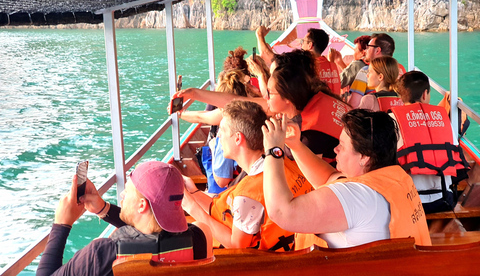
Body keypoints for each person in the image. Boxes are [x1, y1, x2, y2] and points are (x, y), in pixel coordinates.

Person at [261, 109, 431, 249]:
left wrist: (273, 150)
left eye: (342, 145)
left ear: (365, 157)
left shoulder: (360, 197)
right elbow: (328, 178)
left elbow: (282, 212)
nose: (336, 149)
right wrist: (295, 144)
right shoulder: (391, 179)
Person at [173, 50, 350, 164]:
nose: (264, 95)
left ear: (287, 98)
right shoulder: (313, 99)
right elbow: (236, 101)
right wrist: (194, 94)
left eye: (270, 93)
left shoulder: (307, 137)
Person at [37, 161, 211, 276]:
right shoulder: (199, 238)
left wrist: (61, 224)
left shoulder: (103, 254)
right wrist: (104, 209)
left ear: (142, 205)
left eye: (127, 192)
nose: (122, 194)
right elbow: (152, 232)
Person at [182, 101, 313, 251]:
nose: (219, 136)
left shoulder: (248, 195)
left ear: (238, 138)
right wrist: (193, 193)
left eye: (222, 131)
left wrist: (191, 208)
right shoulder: (283, 161)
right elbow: (224, 211)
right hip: (300, 247)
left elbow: (237, 248)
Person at [392, 71, 469, 213]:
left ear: (401, 96)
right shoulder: (444, 119)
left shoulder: (392, 119)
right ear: (424, 94)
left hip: (408, 201)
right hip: (444, 200)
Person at [348, 33, 406, 108]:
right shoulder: (401, 70)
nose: (365, 50)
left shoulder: (366, 71)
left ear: (377, 50)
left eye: (368, 47)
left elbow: (353, 105)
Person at [301, 28, 341, 95]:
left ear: (310, 45)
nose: (301, 45)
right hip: (333, 104)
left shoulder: (308, 67)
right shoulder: (333, 66)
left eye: (303, 41)